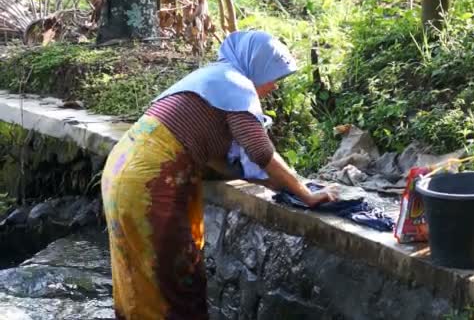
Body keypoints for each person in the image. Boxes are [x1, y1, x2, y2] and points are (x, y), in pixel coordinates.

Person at [101, 30, 336, 319]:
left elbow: (216, 159)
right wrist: (306, 193)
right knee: (174, 279)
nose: (275, 85)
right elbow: (261, 152)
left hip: (124, 169)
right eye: (274, 76)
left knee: (140, 273)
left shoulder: (213, 78)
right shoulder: (235, 84)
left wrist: (272, 182)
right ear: (257, 65)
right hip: (150, 181)